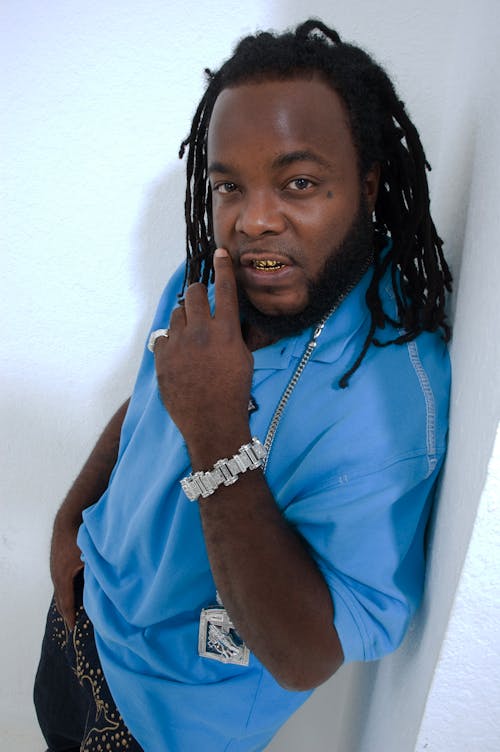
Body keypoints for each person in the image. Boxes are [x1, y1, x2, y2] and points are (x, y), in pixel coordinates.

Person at [34, 19, 452, 752]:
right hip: (77, 623)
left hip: (165, 730)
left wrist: (219, 432)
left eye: (298, 182)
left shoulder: (392, 403)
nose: (254, 220)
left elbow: (304, 657)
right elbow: (155, 398)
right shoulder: (207, 283)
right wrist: (71, 520)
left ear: (368, 185)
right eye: (231, 185)